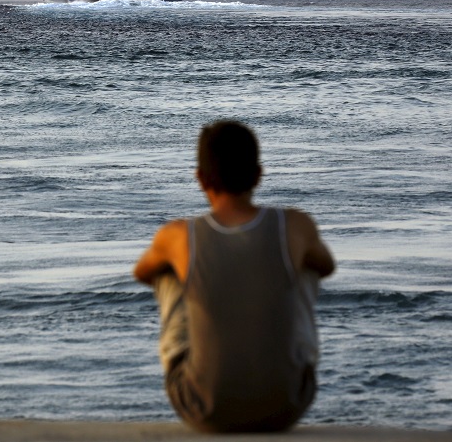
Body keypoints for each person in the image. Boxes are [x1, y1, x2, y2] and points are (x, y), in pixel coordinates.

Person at [133, 120, 335, 433]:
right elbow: (326, 267)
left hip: (202, 408)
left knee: (169, 271)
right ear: (258, 174)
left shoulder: (178, 235)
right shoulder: (295, 225)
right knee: (304, 265)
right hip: (286, 406)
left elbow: (143, 272)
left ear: (200, 179)